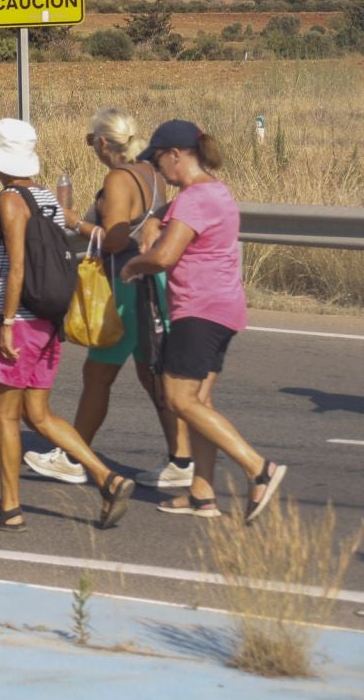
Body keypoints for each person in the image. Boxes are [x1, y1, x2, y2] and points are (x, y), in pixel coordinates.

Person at [0, 118, 134, 532]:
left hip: (22, 320)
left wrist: (6, 322)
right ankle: (106, 477)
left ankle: (10, 509)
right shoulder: (46, 199)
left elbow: (17, 267)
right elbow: (67, 241)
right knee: (38, 414)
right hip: (49, 319)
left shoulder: (9, 200)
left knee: (3, 414)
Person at [122, 121, 286, 522]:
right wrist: (153, 220)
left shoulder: (194, 200)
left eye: (159, 160)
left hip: (199, 311)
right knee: (200, 402)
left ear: (176, 155)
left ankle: (258, 468)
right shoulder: (215, 191)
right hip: (224, 309)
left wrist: (133, 265)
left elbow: (164, 258)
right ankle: (202, 494)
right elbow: (170, 218)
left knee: (178, 400)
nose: (158, 170)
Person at [24, 108, 190, 489]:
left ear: (102, 142)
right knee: (151, 377)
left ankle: (72, 457)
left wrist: (73, 221)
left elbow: (115, 239)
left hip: (125, 287)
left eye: (89, 141)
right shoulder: (151, 174)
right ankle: (181, 459)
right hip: (151, 285)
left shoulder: (118, 178)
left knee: (97, 374)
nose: (91, 148)